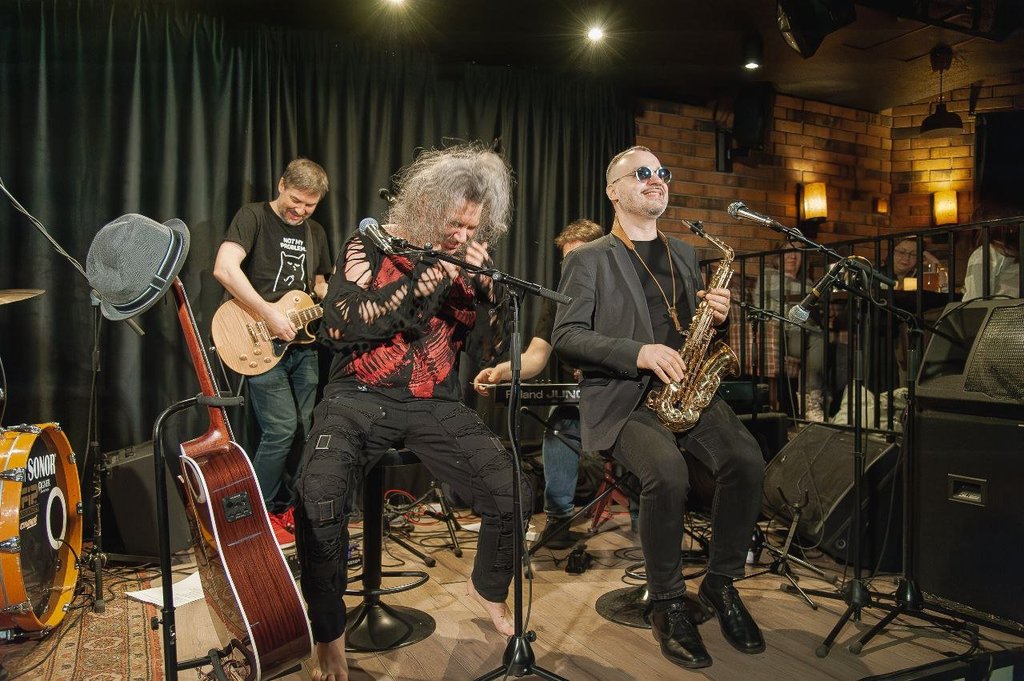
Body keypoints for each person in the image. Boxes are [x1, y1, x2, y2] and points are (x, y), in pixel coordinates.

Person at [294, 142, 530, 681]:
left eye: (472, 228)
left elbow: (487, 351)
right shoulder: (372, 244)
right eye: (454, 225)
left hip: (433, 400)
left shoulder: (469, 261)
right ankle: (328, 633)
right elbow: (340, 324)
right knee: (318, 494)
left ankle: (487, 588)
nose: (462, 237)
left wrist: (491, 293)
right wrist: (427, 280)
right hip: (358, 394)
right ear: (426, 207)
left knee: (512, 489)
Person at [552, 145, 766, 669]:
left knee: (746, 460)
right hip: (625, 397)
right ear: (613, 191)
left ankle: (721, 583)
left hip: (687, 388)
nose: (656, 179)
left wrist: (718, 318)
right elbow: (567, 336)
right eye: (642, 173)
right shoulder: (589, 258)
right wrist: (639, 352)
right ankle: (669, 604)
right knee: (667, 473)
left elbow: (691, 331)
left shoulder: (685, 254)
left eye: (662, 172)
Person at [213, 157, 332, 547]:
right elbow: (224, 269)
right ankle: (256, 513)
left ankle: (290, 508)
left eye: (309, 205)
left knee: (307, 430)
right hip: (258, 338)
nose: (300, 210)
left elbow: (318, 285)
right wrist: (269, 313)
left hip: (303, 345)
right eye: (295, 200)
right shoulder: (252, 217)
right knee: (280, 429)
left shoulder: (315, 232)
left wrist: (341, 296)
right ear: (281, 185)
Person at [473, 218, 605, 550]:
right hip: (581, 400)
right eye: (567, 260)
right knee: (560, 424)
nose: (571, 267)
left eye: (579, 258)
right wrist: (501, 371)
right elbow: (535, 357)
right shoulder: (558, 300)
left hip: (620, 396)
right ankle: (559, 520)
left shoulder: (619, 294)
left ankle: (644, 516)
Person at [751, 243, 827, 421]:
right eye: (789, 251)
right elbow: (759, 306)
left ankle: (811, 403)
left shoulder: (808, 283)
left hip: (804, 332)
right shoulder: (768, 276)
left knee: (819, 339)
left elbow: (815, 313)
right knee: (816, 340)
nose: (793, 256)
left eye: (798, 253)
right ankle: (811, 404)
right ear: (779, 257)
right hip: (780, 332)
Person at [963, 223, 1020, 300]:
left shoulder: (985, 253)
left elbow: (976, 298)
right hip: (1015, 306)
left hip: (998, 307)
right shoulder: (1015, 252)